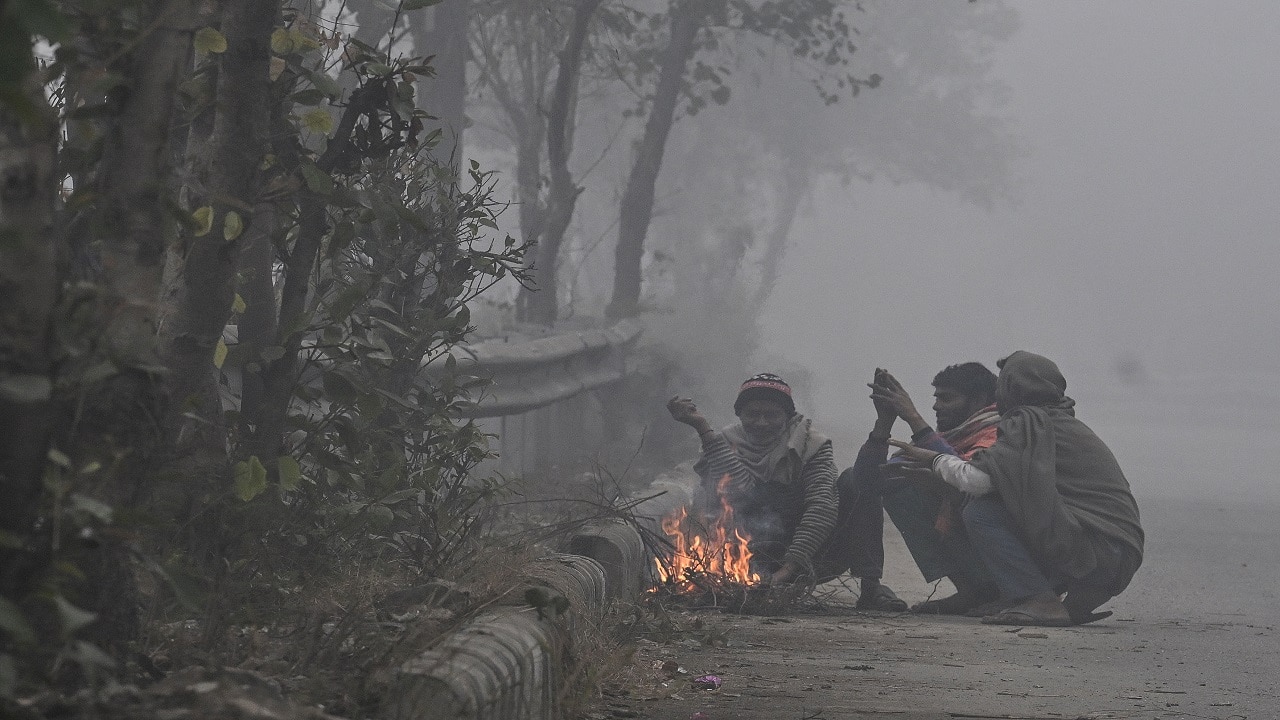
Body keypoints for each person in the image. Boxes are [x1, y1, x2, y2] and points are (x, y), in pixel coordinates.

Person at [890, 351, 1144, 626]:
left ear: (1014, 386)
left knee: (981, 511)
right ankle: (1033, 600)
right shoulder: (1059, 421)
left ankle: (1039, 599)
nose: (998, 390)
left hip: (1099, 550)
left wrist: (935, 460)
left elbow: (979, 480)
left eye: (1003, 381)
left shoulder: (1028, 422)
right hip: (1119, 554)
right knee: (1001, 501)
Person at [666, 373, 838, 587]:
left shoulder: (811, 445)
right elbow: (741, 491)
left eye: (772, 415)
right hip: (748, 550)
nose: (762, 423)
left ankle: (871, 585)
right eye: (753, 414)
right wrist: (701, 426)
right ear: (740, 414)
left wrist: (787, 570)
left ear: (787, 415)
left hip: (806, 552)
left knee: (850, 484)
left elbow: (822, 507)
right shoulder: (729, 440)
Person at [858, 364, 1004, 615]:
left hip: (1009, 541)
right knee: (902, 489)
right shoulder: (951, 436)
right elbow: (867, 484)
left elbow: (967, 478)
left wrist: (914, 419)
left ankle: (1004, 591)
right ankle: (972, 591)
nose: (936, 406)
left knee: (968, 503)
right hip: (977, 538)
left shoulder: (1000, 431)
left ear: (979, 400)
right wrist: (883, 423)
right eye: (936, 398)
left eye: (947, 398)